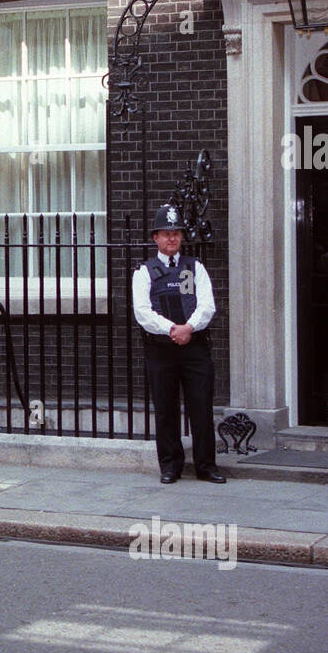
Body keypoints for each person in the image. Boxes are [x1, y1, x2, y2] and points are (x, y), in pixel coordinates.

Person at [131, 204, 223, 484]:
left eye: (176, 233)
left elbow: (207, 305)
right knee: (165, 407)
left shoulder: (195, 268)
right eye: (165, 233)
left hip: (194, 347)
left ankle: (206, 466)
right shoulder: (144, 272)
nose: (171, 238)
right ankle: (170, 466)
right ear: (155, 237)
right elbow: (142, 312)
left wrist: (188, 328)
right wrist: (172, 329)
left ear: (182, 237)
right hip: (161, 349)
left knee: (201, 406)